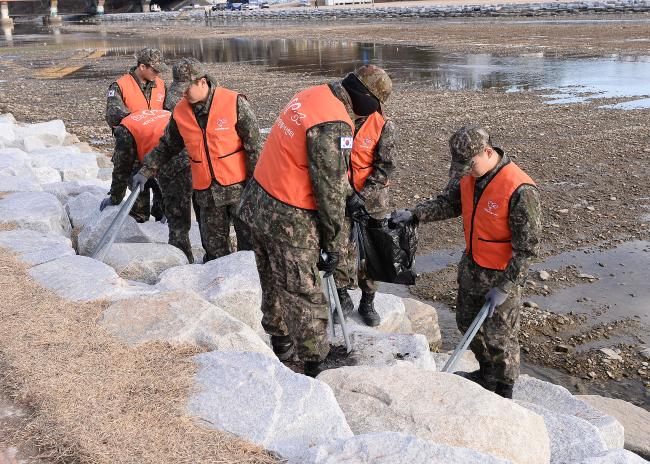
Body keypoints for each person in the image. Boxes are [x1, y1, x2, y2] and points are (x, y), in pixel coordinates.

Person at [237, 65, 392, 377]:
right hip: (289, 216)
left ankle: (281, 342)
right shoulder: (334, 122)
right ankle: (316, 360)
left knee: (271, 278)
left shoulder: (312, 94)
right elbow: (330, 191)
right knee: (303, 289)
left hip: (258, 203)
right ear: (366, 99)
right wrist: (334, 245)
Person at [391, 126, 541, 398]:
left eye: (470, 164)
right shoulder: (467, 176)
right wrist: (414, 215)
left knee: (501, 337)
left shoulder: (520, 189)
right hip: (472, 268)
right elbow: (448, 203)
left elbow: (527, 249)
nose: (466, 170)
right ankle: (485, 374)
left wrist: (506, 287)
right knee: (465, 322)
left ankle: (505, 390)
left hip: (501, 276)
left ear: (487, 152)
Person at [134, 58, 262, 263]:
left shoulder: (234, 103)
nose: (183, 93)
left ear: (202, 81)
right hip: (207, 195)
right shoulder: (180, 112)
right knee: (214, 253)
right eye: (179, 89)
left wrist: (256, 189)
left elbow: (254, 148)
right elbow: (168, 145)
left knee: (250, 251)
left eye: (187, 88)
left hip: (240, 191)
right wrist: (146, 170)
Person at [333, 65, 396, 327]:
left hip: (372, 199)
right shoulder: (336, 115)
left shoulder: (383, 125)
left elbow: (384, 167)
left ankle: (367, 301)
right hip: (340, 196)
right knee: (339, 247)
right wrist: (344, 194)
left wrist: (363, 195)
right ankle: (342, 296)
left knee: (370, 252)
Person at [155, 60, 196, 262]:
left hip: (197, 164)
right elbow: (169, 142)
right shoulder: (175, 98)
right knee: (179, 220)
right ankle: (182, 261)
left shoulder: (168, 92)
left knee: (198, 218)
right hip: (176, 164)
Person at [100, 109, 169, 223]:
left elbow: (121, 169)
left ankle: (150, 218)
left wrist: (115, 199)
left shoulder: (124, 129)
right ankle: (162, 215)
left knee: (175, 209)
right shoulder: (152, 113)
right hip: (189, 146)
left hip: (171, 154)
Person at [105, 48, 167, 130]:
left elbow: (169, 112)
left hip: (158, 138)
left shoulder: (161, 84)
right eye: (155, 70)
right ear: (142, 66)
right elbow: (113, 118)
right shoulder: (120, 86)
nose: (158, 73)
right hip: (132, 138)